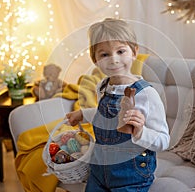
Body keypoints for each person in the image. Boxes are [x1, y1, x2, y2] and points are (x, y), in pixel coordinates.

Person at [66, 18, 170, 192]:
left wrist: (141, 132)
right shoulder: (103, 86)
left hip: (131, 176)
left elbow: (163, 140)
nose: (113, 60)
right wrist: (83, 114)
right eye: (104, 54)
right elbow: (106, 117)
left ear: (134, 52)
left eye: (121, 51)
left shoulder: (146, 94)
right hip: (99, 172)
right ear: (95, 60)